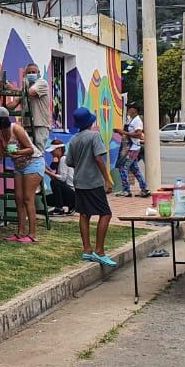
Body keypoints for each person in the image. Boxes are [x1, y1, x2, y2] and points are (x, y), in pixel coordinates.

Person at [67, 107, 117, 267]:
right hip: (93, 182)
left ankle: (87, 249)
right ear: (90, 122)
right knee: (106, 213)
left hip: (79, 181)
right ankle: (100, 251)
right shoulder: (94, 136)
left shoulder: (74, 139)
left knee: (84, 214)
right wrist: (107, 179)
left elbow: (70, 162)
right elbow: (98, 158)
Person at [0, 105, 45, 243]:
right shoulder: (0, 134)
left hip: (33, 163)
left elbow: (30, 150)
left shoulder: (17, 129)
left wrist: (16, 153)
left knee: (27, 198)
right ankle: (20, 232)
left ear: (2, 119)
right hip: (19, 166)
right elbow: (0, 154)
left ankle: (32, 234)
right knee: (18, 199)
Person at [6, 63, 51, 151]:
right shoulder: (25, 88)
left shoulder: (41, 83)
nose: (31, 74)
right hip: (27, 125)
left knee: (38, 152)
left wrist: (14, 89)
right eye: (29, 72)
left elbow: (31, 92)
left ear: (38, 73)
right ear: (25, 74)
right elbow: (13, 104)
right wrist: (2, 107)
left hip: (40, 125)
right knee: (27, 152)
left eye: (33, 72)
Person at [113, 104, 150, 198]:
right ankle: (144, 189)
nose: (128, 110)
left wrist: (123, 132)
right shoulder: (131, 120)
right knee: (134, 169)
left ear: (134, 110)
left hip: (133, 148)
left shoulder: (137, 121)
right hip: (131, 147)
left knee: (123, 166)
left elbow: (138, 134)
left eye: (130, 108)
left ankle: (126, 190)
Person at [43, 140, 75, 215]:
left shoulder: (63, 159)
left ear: (59, 149)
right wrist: (49, 170)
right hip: (70, 192)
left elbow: (62, 179)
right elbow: (58, 176)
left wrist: (47, 172)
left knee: (54, 182)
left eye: (53, 151)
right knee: (46, 199)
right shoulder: (62, 159)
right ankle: (71, 206)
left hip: (72, 192)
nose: (51, 153)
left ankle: (59, 208)